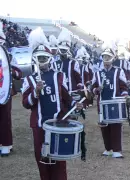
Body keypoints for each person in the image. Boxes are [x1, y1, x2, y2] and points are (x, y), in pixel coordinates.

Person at [21, 27, 83, 180]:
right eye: (39, 58)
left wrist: (76, 105)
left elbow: (68, 99)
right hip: (39, 124)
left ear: (49, 58)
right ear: (35, 58)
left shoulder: (59, 76)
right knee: (42, 159)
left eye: (44, 58)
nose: (42, 61)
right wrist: (36, 92)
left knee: (59, 161)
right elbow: (26, 103)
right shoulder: (29, 79)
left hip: (58, 124)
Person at [92, 41, 128, 158]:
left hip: (115, 103)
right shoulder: (97, 73)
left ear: (112, 59)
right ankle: (108, 148)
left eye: (108, 57)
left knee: (116, 126)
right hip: (102, 103)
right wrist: (97, 89)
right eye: (104, 57)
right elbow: (92, 89)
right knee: (104, 126)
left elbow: (124, 87)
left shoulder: (118, 71)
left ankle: (117, 150)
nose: (106, 60)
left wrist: (124, 97)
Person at [0, 21, 22, 156]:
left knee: (5, 118)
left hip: (4, 91)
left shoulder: (9, 56)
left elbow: (18, 73)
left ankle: (7, 144)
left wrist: (12, 73)